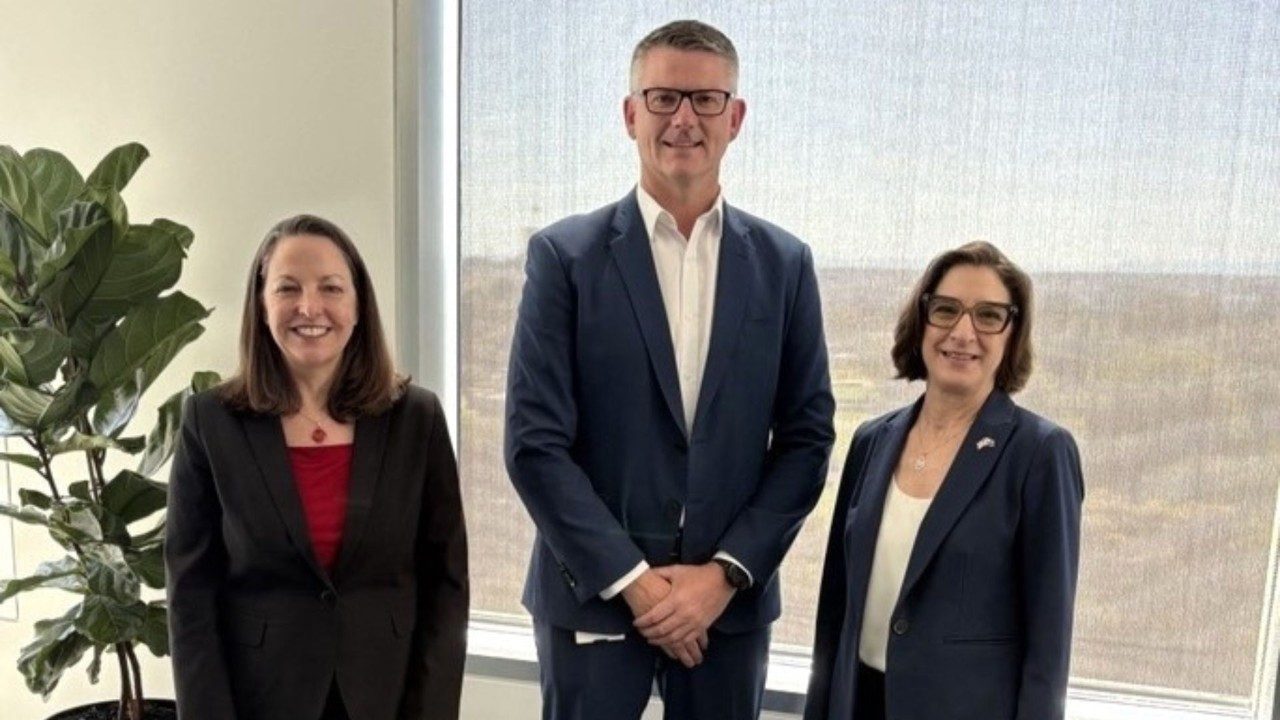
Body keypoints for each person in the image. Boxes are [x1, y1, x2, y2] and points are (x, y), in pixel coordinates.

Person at [504, 19, 836, 720]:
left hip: (727, 609)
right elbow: (535, 445)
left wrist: (722, 577)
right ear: (630, 114)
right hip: (592, 596)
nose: (683, 118)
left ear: (735, 117)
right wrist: (635, 584)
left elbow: (807, 440)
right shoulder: (563, 258)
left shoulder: (785, 265)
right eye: (662, 98)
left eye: (706, 100)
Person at [165, 214, 468, 720]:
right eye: (287, 289)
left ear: (357, 305)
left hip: (386, 697)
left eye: (331, 287)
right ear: (262, 305)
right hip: (258, 699)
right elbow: (191, 597)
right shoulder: (210, 422)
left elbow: (446, 584)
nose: (310, 308)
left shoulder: (417, 418)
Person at [804, 241, 1084, 720]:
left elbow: (1048, 646)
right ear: (922, 320)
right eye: (946, 310)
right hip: (859, 703)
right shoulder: (872, 441)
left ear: (1012, 335)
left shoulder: (1040, 453)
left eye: (988, 316)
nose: (963, 332)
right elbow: (836, 612)